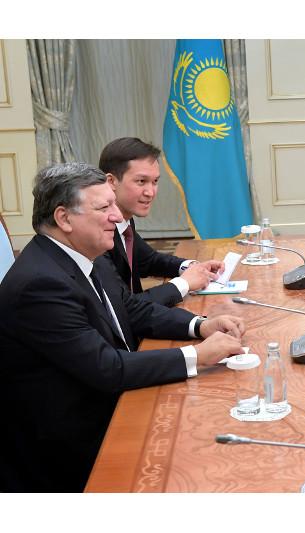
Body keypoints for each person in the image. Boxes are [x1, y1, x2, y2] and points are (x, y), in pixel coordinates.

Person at [0, 163, 246, 492]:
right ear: (64, 218)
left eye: (114, 205)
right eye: (104, 208)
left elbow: (131, 309)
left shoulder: (88, 255)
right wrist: (198, 355)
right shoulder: (39, 284)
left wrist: (200, 325)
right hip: (69, 449)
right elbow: (107, 368)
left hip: (110, 406)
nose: (117, 217)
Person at [99, 137, 224, 307]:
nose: (150, 192)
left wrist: (192, 267)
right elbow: (124, 307)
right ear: (111, 181)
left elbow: (149, 261)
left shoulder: (125, 221)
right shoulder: (97, 234)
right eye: (141, 181)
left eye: (155, 181)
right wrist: (184, 283)